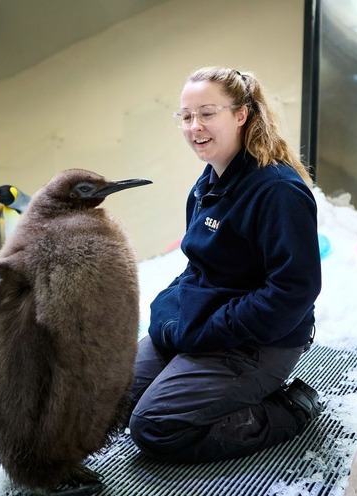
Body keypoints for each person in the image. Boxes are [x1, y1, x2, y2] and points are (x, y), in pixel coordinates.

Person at [128, 67, 323, 463]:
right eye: (186, 116)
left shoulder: (278, 191)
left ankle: (288, 409)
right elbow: (197, 269)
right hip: (209, 327)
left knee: (155, 425)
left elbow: (293, 291)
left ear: (241, 114)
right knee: (109, 397)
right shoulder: (207, 185)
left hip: (261, 340)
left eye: (207, 113)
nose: (194, 126)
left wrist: (209, 331)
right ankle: (205, 383)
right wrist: (170, 315)